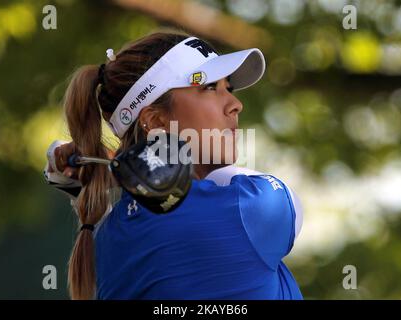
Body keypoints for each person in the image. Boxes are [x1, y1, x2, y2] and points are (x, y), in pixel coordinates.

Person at [43, 30, 303, 300]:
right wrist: (112, 172)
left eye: (229, 88)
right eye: (210, 87)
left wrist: (109, 173)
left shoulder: (105, 240)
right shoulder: (249, 209)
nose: (235, 104)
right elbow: (289, 202)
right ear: (155, 121)